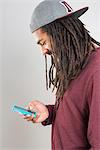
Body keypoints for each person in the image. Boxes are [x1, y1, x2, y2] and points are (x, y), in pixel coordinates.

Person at [22, 0, 100, 149]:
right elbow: (77, 112)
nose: (43, 51)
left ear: (60, 32)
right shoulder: (75, 64)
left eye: (43, 42)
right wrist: (49, 113)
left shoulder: (97, 70)